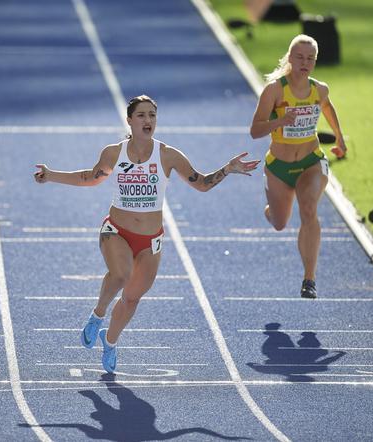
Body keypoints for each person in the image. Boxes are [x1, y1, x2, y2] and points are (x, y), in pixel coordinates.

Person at [34, 95, 259, 373]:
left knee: (131, 298)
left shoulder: (168, 155)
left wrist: (228, 169)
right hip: (116, 230)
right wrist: (51, 175)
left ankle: (111, 342)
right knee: (120, 275)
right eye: (141, 115)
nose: (148, 120)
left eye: (152, 115)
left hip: (150, 240)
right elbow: (90, 178)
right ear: (129, 120)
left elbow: (201, 184)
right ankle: (97, 315)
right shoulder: (113, 153)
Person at [249, 34, 348, 299]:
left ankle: (309, 279)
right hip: (279, 167)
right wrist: (279, 122)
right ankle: (273, 210)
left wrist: (339, 137)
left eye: (310, 58)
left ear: (314, 61)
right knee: (280, 223)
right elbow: (255, 130)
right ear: (290, 58)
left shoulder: (320, 89)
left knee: (308, 208)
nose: (305, 62)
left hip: (311, 162)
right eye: (300, 57)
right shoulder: (275, 90)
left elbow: (327, 107)